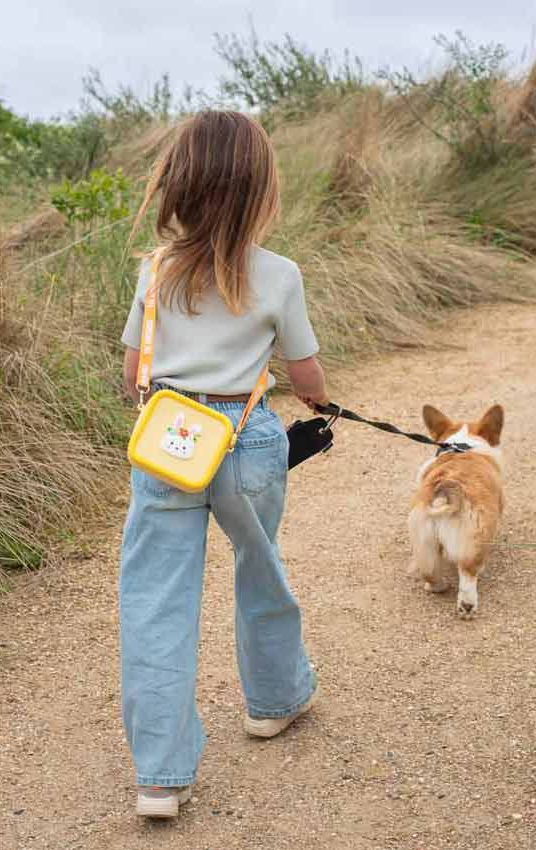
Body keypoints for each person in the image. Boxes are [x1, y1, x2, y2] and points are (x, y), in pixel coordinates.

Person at [120, 110, 329, 820]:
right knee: (258, 564)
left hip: (168, 443)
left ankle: (160, 777)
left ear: (179, 183)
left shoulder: (155, 273)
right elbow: (305, 374)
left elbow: (132, 373)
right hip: (246, 440)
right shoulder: (279, 275)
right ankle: (273, 703)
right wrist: (322, 405)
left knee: (155, 600)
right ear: (259, 190)